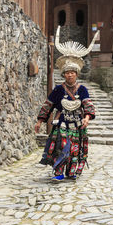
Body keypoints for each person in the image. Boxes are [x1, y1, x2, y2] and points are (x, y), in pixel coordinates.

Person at [35, 26, 99, 181]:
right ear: (64, 74)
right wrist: (40, 121)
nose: (70, 75)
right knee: (61, 146)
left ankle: (72, 171)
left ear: (76, 74)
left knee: (75, 149)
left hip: (77, 123)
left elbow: (88, 105)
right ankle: (58, 172)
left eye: (72, 73)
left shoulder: (82, 89)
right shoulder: (58, 89)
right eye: (67, 73)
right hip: (62, 123)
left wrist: (87, 118)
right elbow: (48, 105)